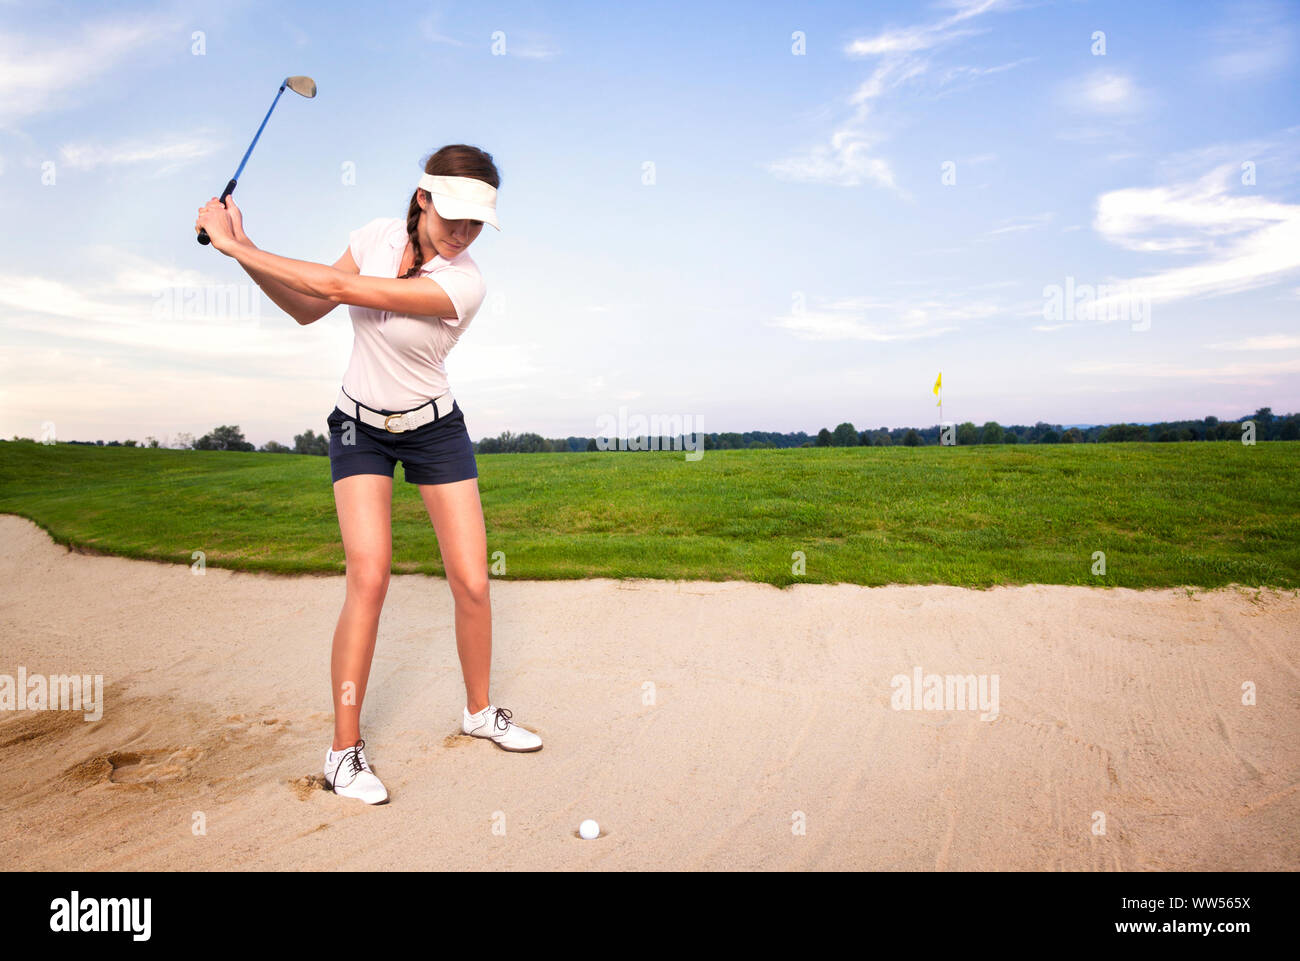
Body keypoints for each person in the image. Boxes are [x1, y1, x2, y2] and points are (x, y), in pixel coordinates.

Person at [195, 144, 541, 806]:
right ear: (422, 198)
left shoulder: (464, 282)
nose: (463, 233)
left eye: (477, 223)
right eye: (454, 216)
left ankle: (477, 711)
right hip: (359, 427)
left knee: (471, 578)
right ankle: (343, 752)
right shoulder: (373, 237)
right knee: (370, 575)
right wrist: (239, 251)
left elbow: (338, 288)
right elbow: (307, 306)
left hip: (435, 427)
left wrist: (238, 243)